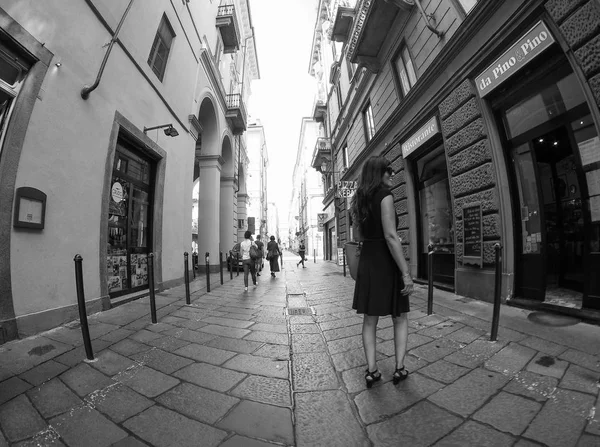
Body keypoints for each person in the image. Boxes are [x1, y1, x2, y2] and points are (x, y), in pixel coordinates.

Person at [350, 155, 414, 389]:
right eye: (388, 170)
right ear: (379, 173)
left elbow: (358, 237)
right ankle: (399, 368)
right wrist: (405, 272)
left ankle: (372, 371)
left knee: (370, 320)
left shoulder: (357, 201)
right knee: (400, 317)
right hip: (386, 262)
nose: (391, 174)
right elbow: (390, 236)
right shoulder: (386, 197)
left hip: (368, 261)